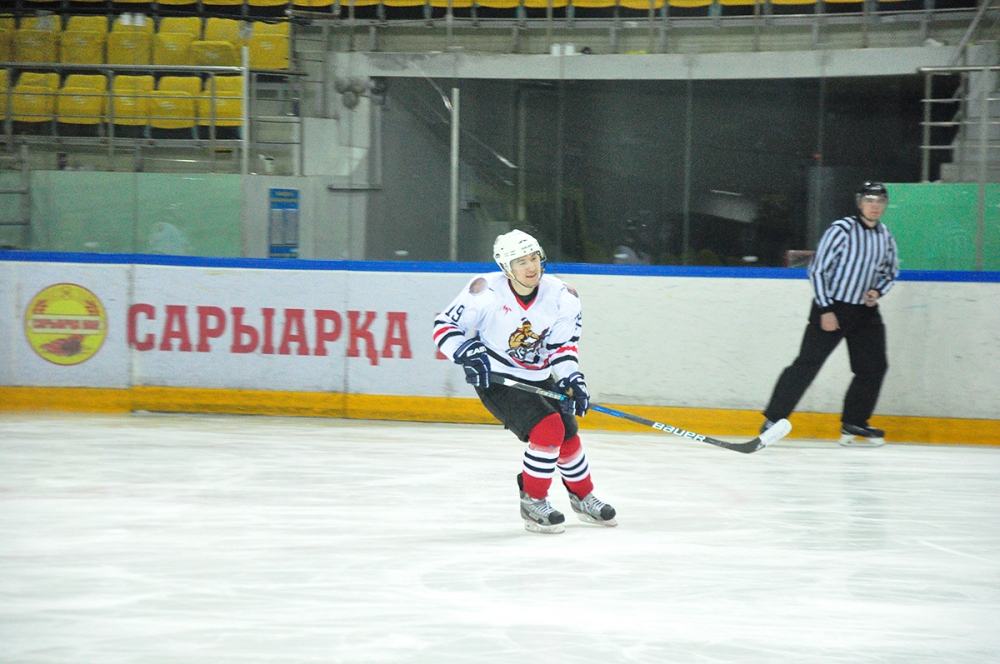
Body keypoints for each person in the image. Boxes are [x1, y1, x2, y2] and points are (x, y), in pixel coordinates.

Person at [433, 229, 617, 533]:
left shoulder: (562, 295)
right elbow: (445, 326)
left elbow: (562, 346)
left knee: (568, 434)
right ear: (506, 268)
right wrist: (465, 353)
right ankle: (533, 501)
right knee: (549, 428)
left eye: (534, 258)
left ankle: (583, 497)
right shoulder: (486, 291)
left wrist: (571, 378)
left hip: (539, 375)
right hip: (498, 378)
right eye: (521, 262)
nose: (531, 267)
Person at [761, 182, 900, 447]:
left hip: (865, 312)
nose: (874, 206)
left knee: (873, 367)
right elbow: (817, 270)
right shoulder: (841, 230)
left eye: (879, 201)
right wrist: (826, 309)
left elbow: (890, 271)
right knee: (806, 365)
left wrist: (877, 291)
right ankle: (773, 420)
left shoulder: (885, 236)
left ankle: (854, 421)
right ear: (859, 203)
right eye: (869, 200)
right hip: (833, 308)